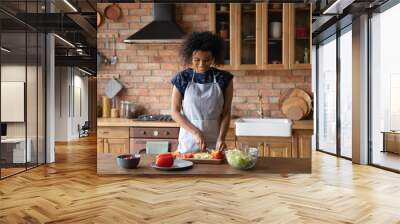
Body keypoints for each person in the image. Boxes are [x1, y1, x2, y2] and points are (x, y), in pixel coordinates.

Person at [171, 31, 234, 153]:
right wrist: (196, 132)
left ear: (214, 58)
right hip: (189, 141)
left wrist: (221, 139)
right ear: (190, 57)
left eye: (207, 60)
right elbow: (175, 112)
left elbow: (226, 113)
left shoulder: (224, 79)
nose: (201, 64)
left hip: (215, 142)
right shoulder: (183, 78)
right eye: (197, 60)